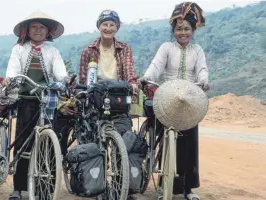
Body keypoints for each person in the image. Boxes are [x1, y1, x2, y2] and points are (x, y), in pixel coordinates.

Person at [140, 2, 208, 200]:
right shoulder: (166, 47)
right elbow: (156, 67)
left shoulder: (198, 50)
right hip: (167, 96)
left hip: (189, 100)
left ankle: (187, 189)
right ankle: (163, 184)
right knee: (162, 139)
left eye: (187, 29)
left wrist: (204, 80)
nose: (183, 33)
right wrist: (147, 76)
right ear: (173, 30)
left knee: (189, 144)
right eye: (179, 29)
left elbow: (202, 70)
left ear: (193, 30)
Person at [3, 11, 68, 200]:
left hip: (47, 100)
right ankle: (19, 188)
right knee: (23, 143)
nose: (38, 31)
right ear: (27, 30)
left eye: (42, 28)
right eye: (34, 27)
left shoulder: (52, 51)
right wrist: (11, 79)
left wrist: (64, 79)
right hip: (26, 100)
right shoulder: (20, 49)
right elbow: (13, 68)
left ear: (48, 32)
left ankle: (42, 186)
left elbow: (59, 70)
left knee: (47, 142)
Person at [78, 9, 140, 200]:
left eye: (112, 24)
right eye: (105, 24)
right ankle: (95, 185)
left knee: (125, 137)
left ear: (117, 27)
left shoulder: (124, 48)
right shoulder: (89, 50)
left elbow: (129, 70)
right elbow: (82, 77)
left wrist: (133, 83)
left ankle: (123, 185)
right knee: (94, 139)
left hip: (118, 97)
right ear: (99, 27)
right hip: (96, 98)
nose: (108, 28)